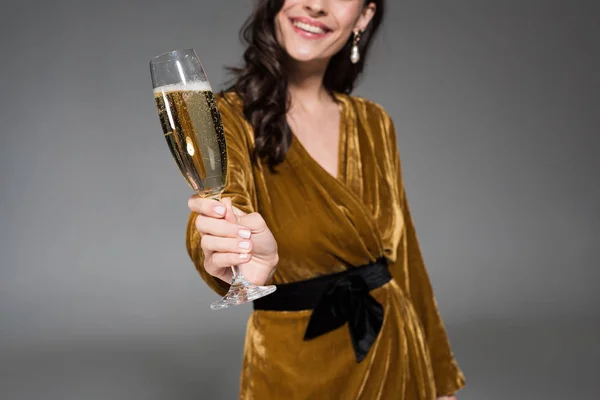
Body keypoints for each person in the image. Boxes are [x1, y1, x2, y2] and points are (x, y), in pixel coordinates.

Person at [186, 0, 466, 398]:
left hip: (394, 358)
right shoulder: (224, 118)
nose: (315, 4)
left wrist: (439, 384)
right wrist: (231, 253)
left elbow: (407, 263)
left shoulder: (374, 123)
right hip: (291, 369)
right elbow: (219, 202)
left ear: (364, 16)